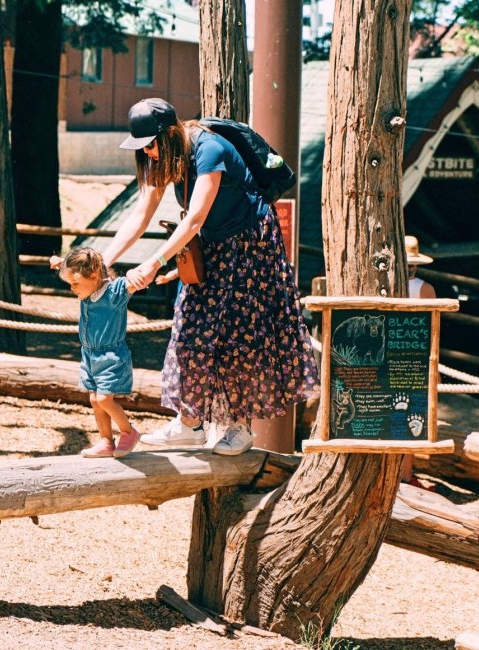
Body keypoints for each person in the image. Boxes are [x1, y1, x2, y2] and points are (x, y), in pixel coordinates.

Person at [105, 97, 319, 456]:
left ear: (169, 134)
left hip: (250, 246)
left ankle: (238, 428)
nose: (149, 154)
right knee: (189, 329)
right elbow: (141, 215)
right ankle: (188, 423)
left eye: (151, 145)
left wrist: (155, 262)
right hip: (215, 246)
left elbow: (195, 218)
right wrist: (101, 260)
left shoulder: (209, 148)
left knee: (240, 335)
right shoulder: (165, 157)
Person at [50, 247, 141, 459]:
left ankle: (129, 432)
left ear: (93, 276)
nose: (72, 289)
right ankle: (106, 441)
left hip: (111, 356)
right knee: (94, 399)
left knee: (104, 399)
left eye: (74, 283)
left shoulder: (114, 293)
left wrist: (134, 274)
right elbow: (82, 270)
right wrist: (62, 261)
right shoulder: (89, 286)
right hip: (89, 355)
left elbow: (133, 282)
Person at [403, 235, 436, 487]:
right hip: (415, 360)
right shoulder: (425, 290)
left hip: (391, 358)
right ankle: (406, 473)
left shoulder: (383, 285)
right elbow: (433, 331)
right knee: (412, 417)